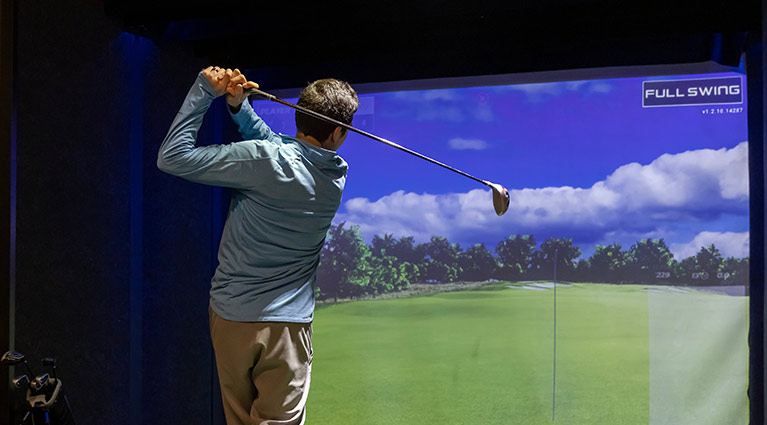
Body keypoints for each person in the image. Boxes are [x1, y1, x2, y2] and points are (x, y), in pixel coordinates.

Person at [158, 66, 359, 425]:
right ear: (340, 133)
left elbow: (173, 156)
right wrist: (240, 108)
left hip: (231, 317)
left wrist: (205, 90)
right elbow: (280, 154)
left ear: (299, 113)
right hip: (287, 327)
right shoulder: (334, 177)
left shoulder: (262, 159)